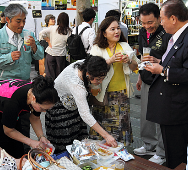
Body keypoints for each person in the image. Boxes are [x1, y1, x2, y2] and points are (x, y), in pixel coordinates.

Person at [144, 0, 188, 168]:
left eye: (162, 19)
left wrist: (162, 70)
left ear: (174, 18)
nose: (161, 23)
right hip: (171, 105)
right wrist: (159, 61)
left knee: (175, 155)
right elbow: (178, 62)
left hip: (177, 108)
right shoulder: (177, 36)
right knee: (173, 151)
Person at [45, 55, 118, 153]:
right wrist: (106, 135)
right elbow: (85, 114)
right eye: (97, 79)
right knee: (65, 146)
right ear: (88, 74)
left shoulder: (86, 64)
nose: (100, 82)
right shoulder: (77, 86)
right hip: (60, 110)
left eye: (102, 78)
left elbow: (100, 64)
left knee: (79, 143)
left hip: (73, 105)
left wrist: (110, 60)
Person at [89, 16, 139, 146]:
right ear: (104, 33)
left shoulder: (124, 46)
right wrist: (110, 60)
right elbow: (92, 70)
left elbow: (136, 67)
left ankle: (120, 154)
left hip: (121, 94)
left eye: (118, 28)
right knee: (103, 124)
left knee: (121, 126)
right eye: (112, 29)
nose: (117, 32)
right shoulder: (96, 48)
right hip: (102, 94)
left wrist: (128, 61)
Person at [133, 3, 171, 165]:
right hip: (147, 77)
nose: (147, 26)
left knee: (162, 115)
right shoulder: (142, 32)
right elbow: (143, 55)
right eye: (143, 22)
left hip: (163, 78)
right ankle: (149, 144)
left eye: (150, 22)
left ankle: (162, 152)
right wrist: (140, 77)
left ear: (159, 19)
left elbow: (173, 59)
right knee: (146, 114)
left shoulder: (168, 33)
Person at [0, 76, 58, 158]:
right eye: (42, 109)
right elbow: (8, 130)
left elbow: (34, 118)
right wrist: (31, 142)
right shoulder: (12, 103)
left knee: (17, 145)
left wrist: (41, 136)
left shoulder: (37, 92)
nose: (44, 112)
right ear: (33, 98)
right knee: (4, 147)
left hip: (8, 108)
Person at [0, 4, 44, 81]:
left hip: (25, 81)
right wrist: (8, 58)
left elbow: (40, 56)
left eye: (24, 21)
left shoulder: (29, 35)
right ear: (7, 19)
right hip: (4, 82)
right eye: (18, 21)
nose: (22, 24)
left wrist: (34, 47)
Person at [39, 12, 71, 80]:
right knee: (59, 76)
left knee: (50, 75)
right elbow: (69, 43)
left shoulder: (53, 28)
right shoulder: (68, 31)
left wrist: (48, 40)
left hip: (51, 53)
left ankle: (50, 89)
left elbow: (41, 33)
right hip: (61, 55)